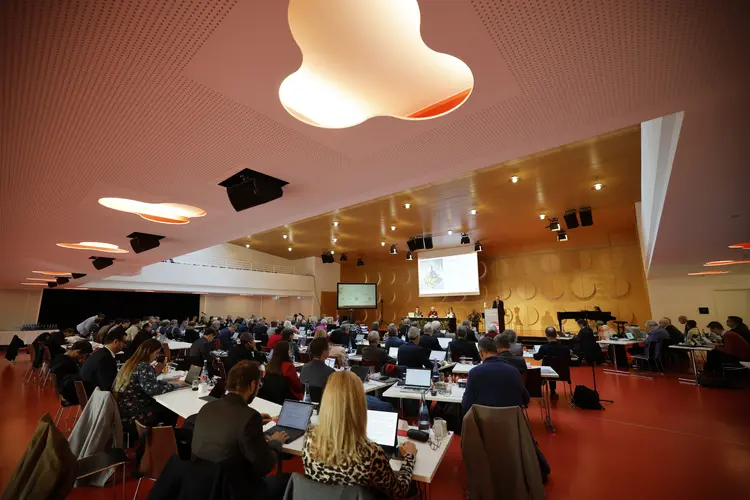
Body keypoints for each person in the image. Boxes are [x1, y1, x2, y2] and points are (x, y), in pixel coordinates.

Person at [302, 371, 417, 499]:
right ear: (360, 403)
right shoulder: (370, 453)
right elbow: (399, 492)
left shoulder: (310, 437)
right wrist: (410, 457)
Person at [192, 361, 290, 499]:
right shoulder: (249, 417)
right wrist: (275, 442)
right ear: (253, 385)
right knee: (288, 480)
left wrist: (255, 425)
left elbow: (227, 429)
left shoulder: (207, 408)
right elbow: (264, 466)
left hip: (204, 486)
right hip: (235, 491)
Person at [113, 339, 183, 427]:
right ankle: (166, 435)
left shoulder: (130, 362)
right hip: (135, 411)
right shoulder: (144, 366)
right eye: (156, 353)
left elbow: (144, 382)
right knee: (171, 409)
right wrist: (175, 385)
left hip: (123, 408)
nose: (157, 356)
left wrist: (164, 382)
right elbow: (152, 390)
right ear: (149, 352)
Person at [462, 337, 529, 413]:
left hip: (483, 420)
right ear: (497, 351)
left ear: (481, 353)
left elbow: (466, 404)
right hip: (510, 421)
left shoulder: (474, 373)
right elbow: (525, 399)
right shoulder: (514, 371)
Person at [534, 327, 570, 399]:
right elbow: (569, 360)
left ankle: (543, 390)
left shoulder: (544, 347)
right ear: (556, 335)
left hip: (548, 374)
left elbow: (537, 358)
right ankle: (552, 390)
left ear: (546, 335)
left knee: (548, 366)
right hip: (563, 373)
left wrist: (534, 354)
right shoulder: (565, 348)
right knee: (555, 366)